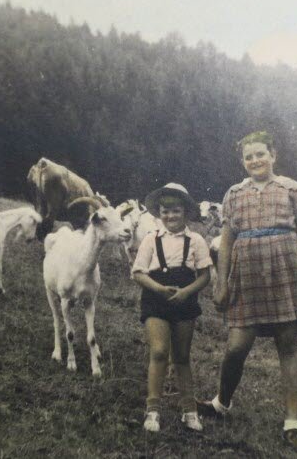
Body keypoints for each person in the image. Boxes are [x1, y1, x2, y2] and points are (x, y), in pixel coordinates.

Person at [197, 131, 297, 448]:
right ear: (243, 161)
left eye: (260, 154)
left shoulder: (293, 189)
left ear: (273, 155)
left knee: (288, 346)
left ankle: (292, 422)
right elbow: (226, 243)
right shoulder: (234, 194)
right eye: (248, 156)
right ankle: (221, 404)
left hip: (285, 275)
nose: (255, 161)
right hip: (247, 279)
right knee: (236, 347)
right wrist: (221, 282)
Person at [131, 183, 213, 433]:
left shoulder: (196, 240)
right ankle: (152, 410)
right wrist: (159, 289)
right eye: (165, 211)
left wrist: (186, 292)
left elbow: (205, 275)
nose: (170, 216)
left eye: (176, 211)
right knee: (158, 352)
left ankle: (189, 410)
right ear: (159, 213)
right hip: (156, 298)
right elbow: (138, 273)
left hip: (185, 301)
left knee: (181, 356)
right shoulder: (151, 239)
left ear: (186, 212)